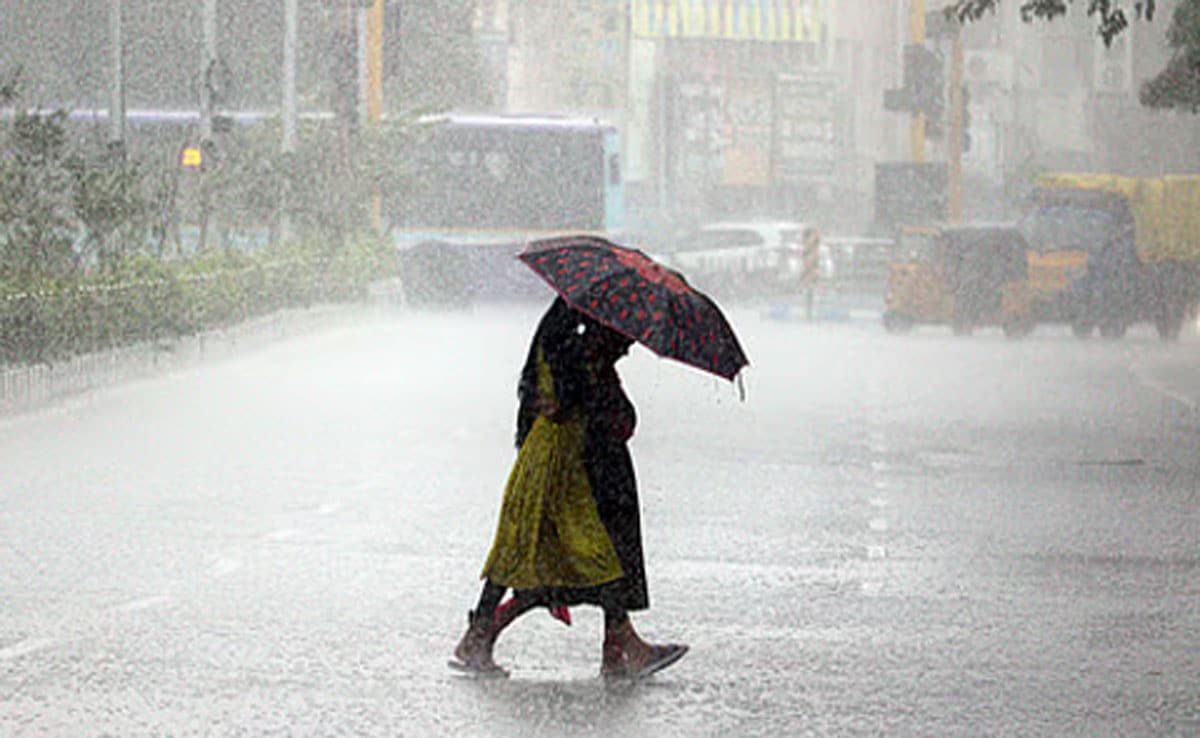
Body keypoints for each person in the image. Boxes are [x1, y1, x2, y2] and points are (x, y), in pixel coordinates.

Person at [451, 297, 688, 679]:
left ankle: (481, 636)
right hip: (558, 468)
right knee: (588, 554)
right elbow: (576, 404)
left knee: (521, 553)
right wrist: (597, 373)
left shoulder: (565, 346)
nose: (628, 344)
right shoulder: (569, 353)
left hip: (554, 462)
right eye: (620, 333)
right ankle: (625, 644)